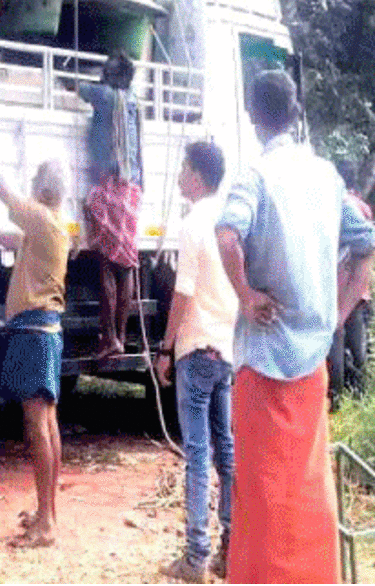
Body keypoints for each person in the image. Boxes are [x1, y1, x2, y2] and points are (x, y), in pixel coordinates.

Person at [214, 71, 375, 583]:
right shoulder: (327, 176)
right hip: (312, 366)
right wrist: (340, 311)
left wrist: (246, 295)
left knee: (263, 502)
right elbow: (366, 241)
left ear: (253, 117)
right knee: (308, 494)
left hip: (264, 362)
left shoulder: (255, 175)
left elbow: (226, 236)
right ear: (297, 110)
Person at [0, 140, 71, 548]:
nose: (29, 184)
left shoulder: (44, 220)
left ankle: (46, 523)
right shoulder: (50, 226)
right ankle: (47, 513)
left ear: (44, 189)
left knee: (38, 425)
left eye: (34, 180)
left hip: (34, 332)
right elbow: (16, 241)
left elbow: (3, 191)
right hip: (43, 332)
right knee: (47, 422)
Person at [155, 141, 236, 583]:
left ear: (199, 176)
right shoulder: (229, 219)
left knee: (198, 453)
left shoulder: (194, 223)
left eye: (184, 168)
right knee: (226, 450)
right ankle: (230, 546)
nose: (180, 176)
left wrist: (165, 348)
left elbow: (183, 293)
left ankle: (195, 556)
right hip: (225, 349)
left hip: (196, 347)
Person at [79, 52, 144, 359]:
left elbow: (79, 88)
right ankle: (120, 333)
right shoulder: (134, 101)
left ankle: (111, 338)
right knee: (127, 263)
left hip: (111, 184)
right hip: (133, 187)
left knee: (106, 258)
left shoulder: (103, 95)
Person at [329, 160, 375, 402]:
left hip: (338, 287)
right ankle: (360, 393)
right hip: (359, 289)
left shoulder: (333, 206)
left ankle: (336, 397)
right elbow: (371, 241)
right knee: (358, 342)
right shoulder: (361, 207)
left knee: (336, 338)